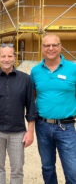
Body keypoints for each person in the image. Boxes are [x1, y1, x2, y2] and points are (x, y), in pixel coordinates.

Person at [0, 44, 36, 184]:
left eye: (10, 56)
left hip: (18, 133)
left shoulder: (25, 79)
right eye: (3, 56)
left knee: (17, 169)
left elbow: (31, 106)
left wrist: (30, 132)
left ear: (14, 58)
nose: (6, 59)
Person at [30, 34, 76, 184]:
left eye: (54, 45)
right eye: (47, 45)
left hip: (66, 127)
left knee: (72, 170)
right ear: (42, 48)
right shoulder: (35, 71)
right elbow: (33, 96)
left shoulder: (73, 68)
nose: (51, 48)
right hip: (42, 126)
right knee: (47, 167)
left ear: (60, 46)